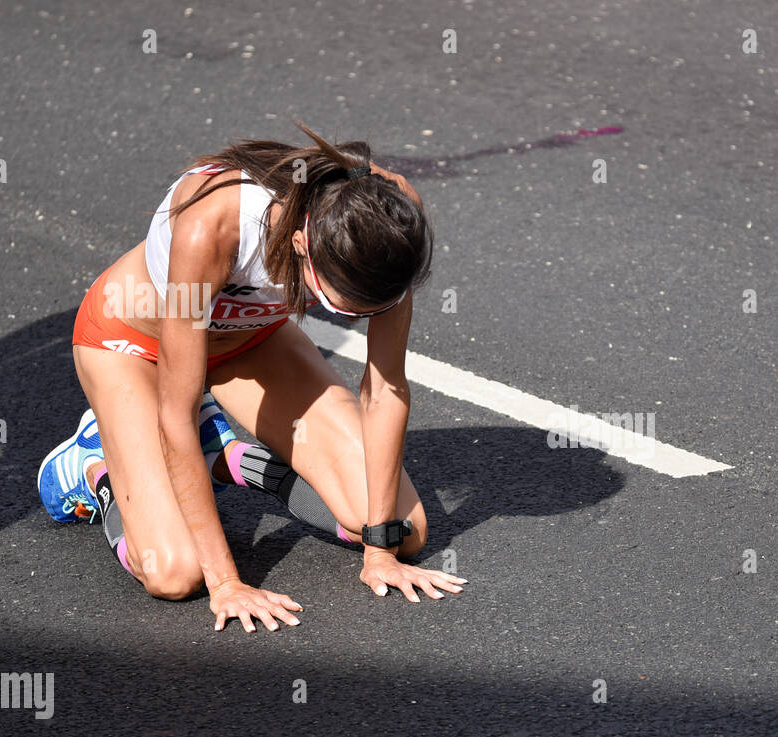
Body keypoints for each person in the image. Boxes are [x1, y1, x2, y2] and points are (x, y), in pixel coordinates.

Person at [36, 124, 466, 633]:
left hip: (250, 342)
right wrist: (226, 584)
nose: (358, 317)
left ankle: (219, 454)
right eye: (336, 307)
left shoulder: (389, 218)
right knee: (175, 573)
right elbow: (174, 409)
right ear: (303, 244)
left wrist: (379, 553)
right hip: (133, 347)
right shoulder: (213, 227)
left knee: (405, 530)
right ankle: (96, 465)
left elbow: (385, 387)